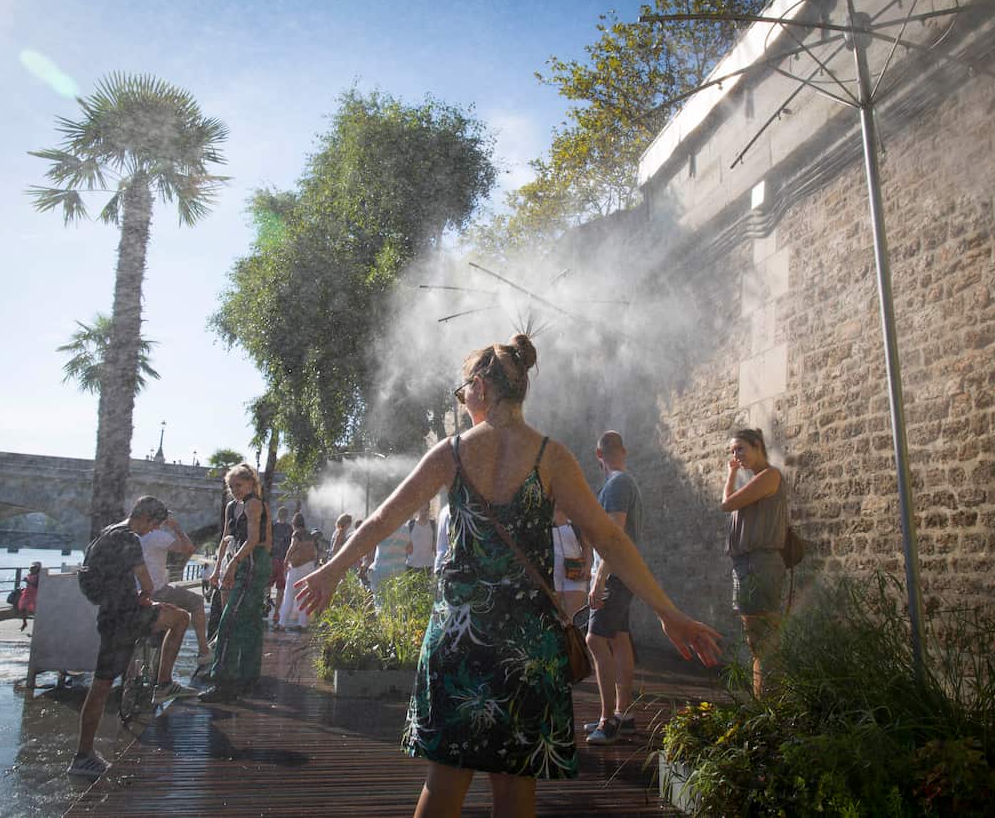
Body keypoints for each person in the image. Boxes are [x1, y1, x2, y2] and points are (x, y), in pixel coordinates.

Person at [295, 334, 721, 817]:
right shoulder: (552, 457)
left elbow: (379, 523)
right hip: (528, 644)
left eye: (462, 393)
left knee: (444, 782)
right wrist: (667, 612)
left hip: (459, 638)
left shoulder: (451, 454)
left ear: (480, 387)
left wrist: (331, 571)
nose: (462, 402)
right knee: (516, 789)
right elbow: (609, 538)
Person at [68, 496, 193, 779]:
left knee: (100, 685)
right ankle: (163, 683)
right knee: (181, 618)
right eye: (154, 526)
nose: (152, 532)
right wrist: (145, 598)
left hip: (109, 615)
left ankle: (84, 753)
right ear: (148, 520)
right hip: (128, 619)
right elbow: (147, 584)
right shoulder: (131, 540)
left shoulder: (107, 533)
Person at [584, 430, 643, 745]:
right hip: (622, 575)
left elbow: (614, 536)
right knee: (619, 640)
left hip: (614, 576)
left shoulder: (618, 484)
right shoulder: (621, 483)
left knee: (595, 640)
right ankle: (625, 714)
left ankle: (608, 722)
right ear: (625, 450)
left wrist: (599, 577)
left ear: (598, 455)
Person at [722, 427, 789, 698]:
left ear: (757, 446)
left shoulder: (769, 476)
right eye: (732, 451)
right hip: (745, 563)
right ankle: (765, 701)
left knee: (764, 638)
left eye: (740, 448)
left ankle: (772, 701)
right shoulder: (752, 482)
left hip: (760, 563)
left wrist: (731, 473)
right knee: (755, 639)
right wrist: (734, 474)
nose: (736, 455)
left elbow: (726, 504)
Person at [199, 464, 272, 703]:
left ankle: (224, 681)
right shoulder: (232, 507)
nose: (235, 490)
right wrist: (219, 567)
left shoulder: (255, 504)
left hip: (252, 561)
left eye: (238, 485)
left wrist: (233, 565)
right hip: (240, 560)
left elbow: (254, 540)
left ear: (251, 483)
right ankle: (247, 676)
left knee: (230, 620)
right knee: (249, 621)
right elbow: (226, 539)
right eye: (231, 487)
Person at [140, 513, 213, 667]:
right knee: (196, 601)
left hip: (139, 591)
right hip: (157, 591)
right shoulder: (157, 535)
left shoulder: (136, 535)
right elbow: (189, 548)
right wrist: (176, 528)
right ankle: (203, 651)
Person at [278, 513, 318, 631]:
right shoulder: (309, 534)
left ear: (294, 524)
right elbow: (315, 552)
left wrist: (285, 561)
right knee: (304, 596)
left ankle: (282, 623)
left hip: (297, 567)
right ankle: (303, 624)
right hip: (309, 566)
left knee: (289, 594)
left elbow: (292, 547)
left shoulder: (297, 534)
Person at [550, 508, 590, 621]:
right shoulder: (542, 514)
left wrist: (587, 567)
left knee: (575, 621)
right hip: (550, 573)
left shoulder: (574, 514)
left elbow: (586, 546)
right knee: (552, 618)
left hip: (575, 570)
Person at [268, 504, 292, 629]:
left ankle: (265, 601)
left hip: (271, 559)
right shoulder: (290, 528)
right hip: (283, 561)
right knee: (280, 589)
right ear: (287, 516)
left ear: (278, 515)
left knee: (267, 585)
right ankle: (276, 613)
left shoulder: (272, 526)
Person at [405, 504, 436, 575]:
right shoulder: (410, 524)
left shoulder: (433, 524)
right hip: (412, 566)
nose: (424, 513)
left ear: (429, 510)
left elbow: (435, 545)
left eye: (426, 510)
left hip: (428, 566)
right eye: (422, 510)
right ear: (418, 510)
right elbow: (405, 545)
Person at [18, 561, 41, 631]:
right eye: (32, 567)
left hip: (34, 594)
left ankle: (37, 626)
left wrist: (28, 582)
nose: (33, 569)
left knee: (34, 611)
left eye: (35, 568)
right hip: (27, 593)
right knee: (22, 608)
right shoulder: (29, 575)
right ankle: (24, 623)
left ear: (38, 569)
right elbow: (28, 584)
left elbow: (36, 586)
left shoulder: (38, 576)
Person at [431, 501, 452, 575]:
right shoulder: (452, 511)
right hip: (447, 564)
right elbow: (451, 539)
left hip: (440, 561)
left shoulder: (444, 509)